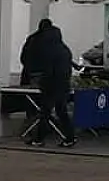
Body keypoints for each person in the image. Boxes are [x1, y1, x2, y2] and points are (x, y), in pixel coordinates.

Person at [19, 18, 77, 148]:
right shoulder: (65, 49)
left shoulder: (46, 48)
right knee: (61, 112)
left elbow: (43, 67)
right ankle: (70, 137)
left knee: (45, 112)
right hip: (64, 84)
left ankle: (39, 139)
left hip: (50, 85)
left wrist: (42, 81)